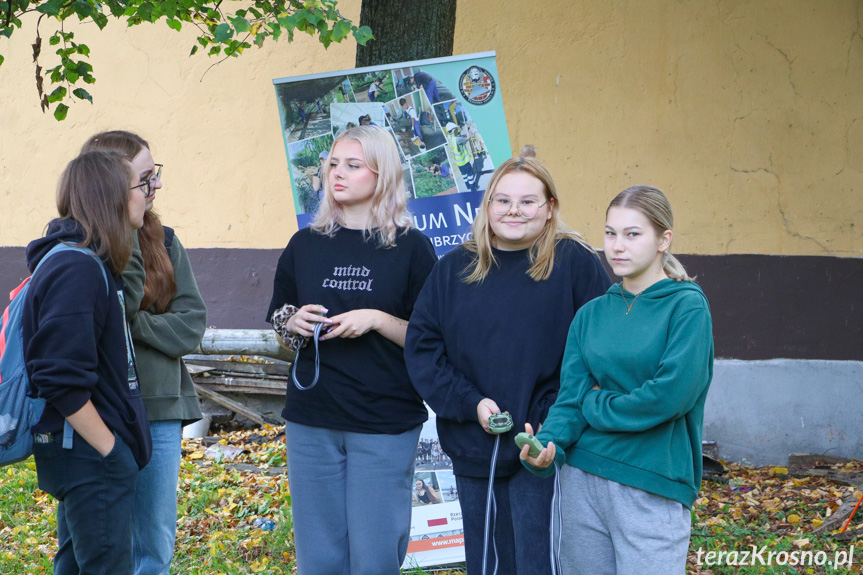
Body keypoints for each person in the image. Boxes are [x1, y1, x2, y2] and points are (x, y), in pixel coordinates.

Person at [405, 147, 611, 575]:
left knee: (540, 562)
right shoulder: (454, 269)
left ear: (550, 207)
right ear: (487, 205)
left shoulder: (575, 264)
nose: (513, 210)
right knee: (487, 564)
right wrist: (470, 402)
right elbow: (424, 350)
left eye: (528, 201)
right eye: (503, 200)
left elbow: (600, 352)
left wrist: (556, 420)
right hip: (474, 444)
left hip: (548, 445)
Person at [266, 125, 437, 574]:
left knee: (375, 553)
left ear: (382, 175)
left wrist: (377, 320)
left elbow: (431, 339)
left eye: (353, 165)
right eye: (333, 164)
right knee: (319, 554)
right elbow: (280, 324)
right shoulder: (305, 243)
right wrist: (293, 323)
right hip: (312, 416)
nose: (337, 173)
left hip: (383, 419)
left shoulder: (412, 248)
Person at [521, 185, 714, 575]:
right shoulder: (591, 314)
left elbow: (667, 397)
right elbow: (570, 399)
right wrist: (546, 448)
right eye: (610, 233)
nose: (617, 246)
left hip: (652, 482)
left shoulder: (687, 306)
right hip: (582, 480)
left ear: (664, 240)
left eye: (632, 234)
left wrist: (596, 404)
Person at [82, 131, 208, 575]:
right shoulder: (81, 249)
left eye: (155, 176)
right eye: (144, 178)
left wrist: (137, 324)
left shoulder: (167, 240)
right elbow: (105, 322)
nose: (154, 187)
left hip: (160, 405)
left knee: (153, 541)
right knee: (92, 536)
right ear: (110, 183)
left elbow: (191, 325)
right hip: (93, 410)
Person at [23, 150, 153, 574]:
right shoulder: (75, 267)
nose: (148, 194)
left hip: (88, 451)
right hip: (88, 452)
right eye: (139, 185)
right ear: (112, 197)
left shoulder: (89, 261)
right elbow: (58, 376)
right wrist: (110, 450)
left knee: (78, 565)